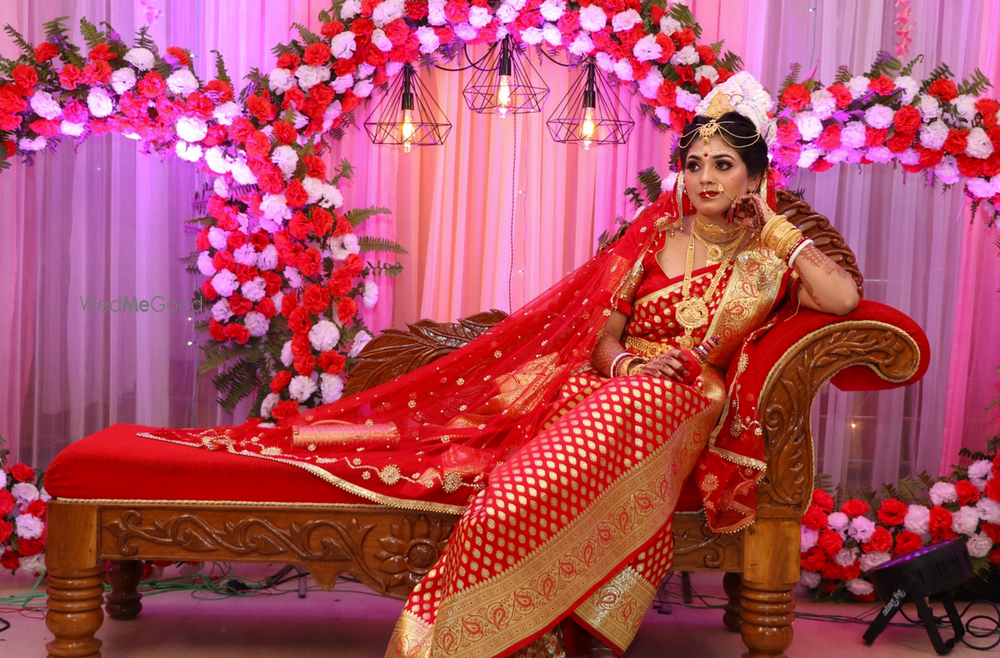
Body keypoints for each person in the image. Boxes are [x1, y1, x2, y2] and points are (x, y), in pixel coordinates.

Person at [141, 72, 859, 658]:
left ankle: (467, 630)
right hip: (613, 387)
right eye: (695, 163)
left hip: (678, 399)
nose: (704, 177)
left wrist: (779, 230)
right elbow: (604, 336)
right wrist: (621, 369)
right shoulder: (654, 238)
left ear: (754, 175)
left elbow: (844, 298)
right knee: (489, 469)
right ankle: (527, 625)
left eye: (723, 165)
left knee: (513, 497)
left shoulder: (769, 259)